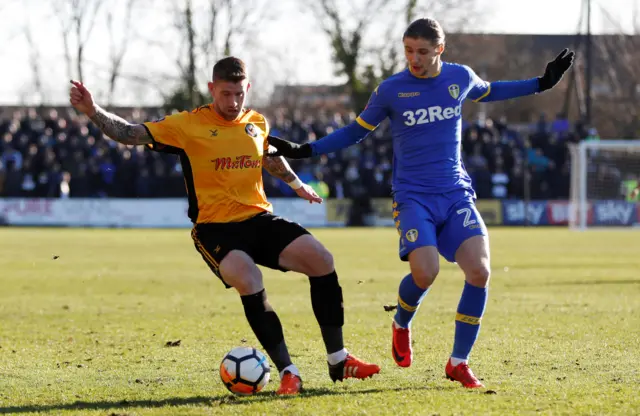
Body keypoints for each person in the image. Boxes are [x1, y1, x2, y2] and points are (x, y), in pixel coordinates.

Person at [267, 18, 575, 388]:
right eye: (408, 50)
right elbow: (356, 131)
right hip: (413, 197)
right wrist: (307, 150)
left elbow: (492, 91)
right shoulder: (391, 90)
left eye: (423, 52)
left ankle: (458, 362)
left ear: (439, 50)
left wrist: (542, 83)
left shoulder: (459, 77)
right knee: (425, 272)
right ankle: (401, 321)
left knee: (479, 271)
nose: (414, 59)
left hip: (455, 193)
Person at [68, 56, 380, 395]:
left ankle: (338, 359)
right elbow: (130, 134)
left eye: (238, 95)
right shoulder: (187, 125)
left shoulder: (256, 122)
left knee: (322, 260)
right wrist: (93, 110)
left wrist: (296, 184)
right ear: (211, 89)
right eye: (225, 94)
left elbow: (270, 158)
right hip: (214, 229)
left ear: (248, 89)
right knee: (249, 279)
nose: (232, 103)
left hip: (258, 218)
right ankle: (289, 372)